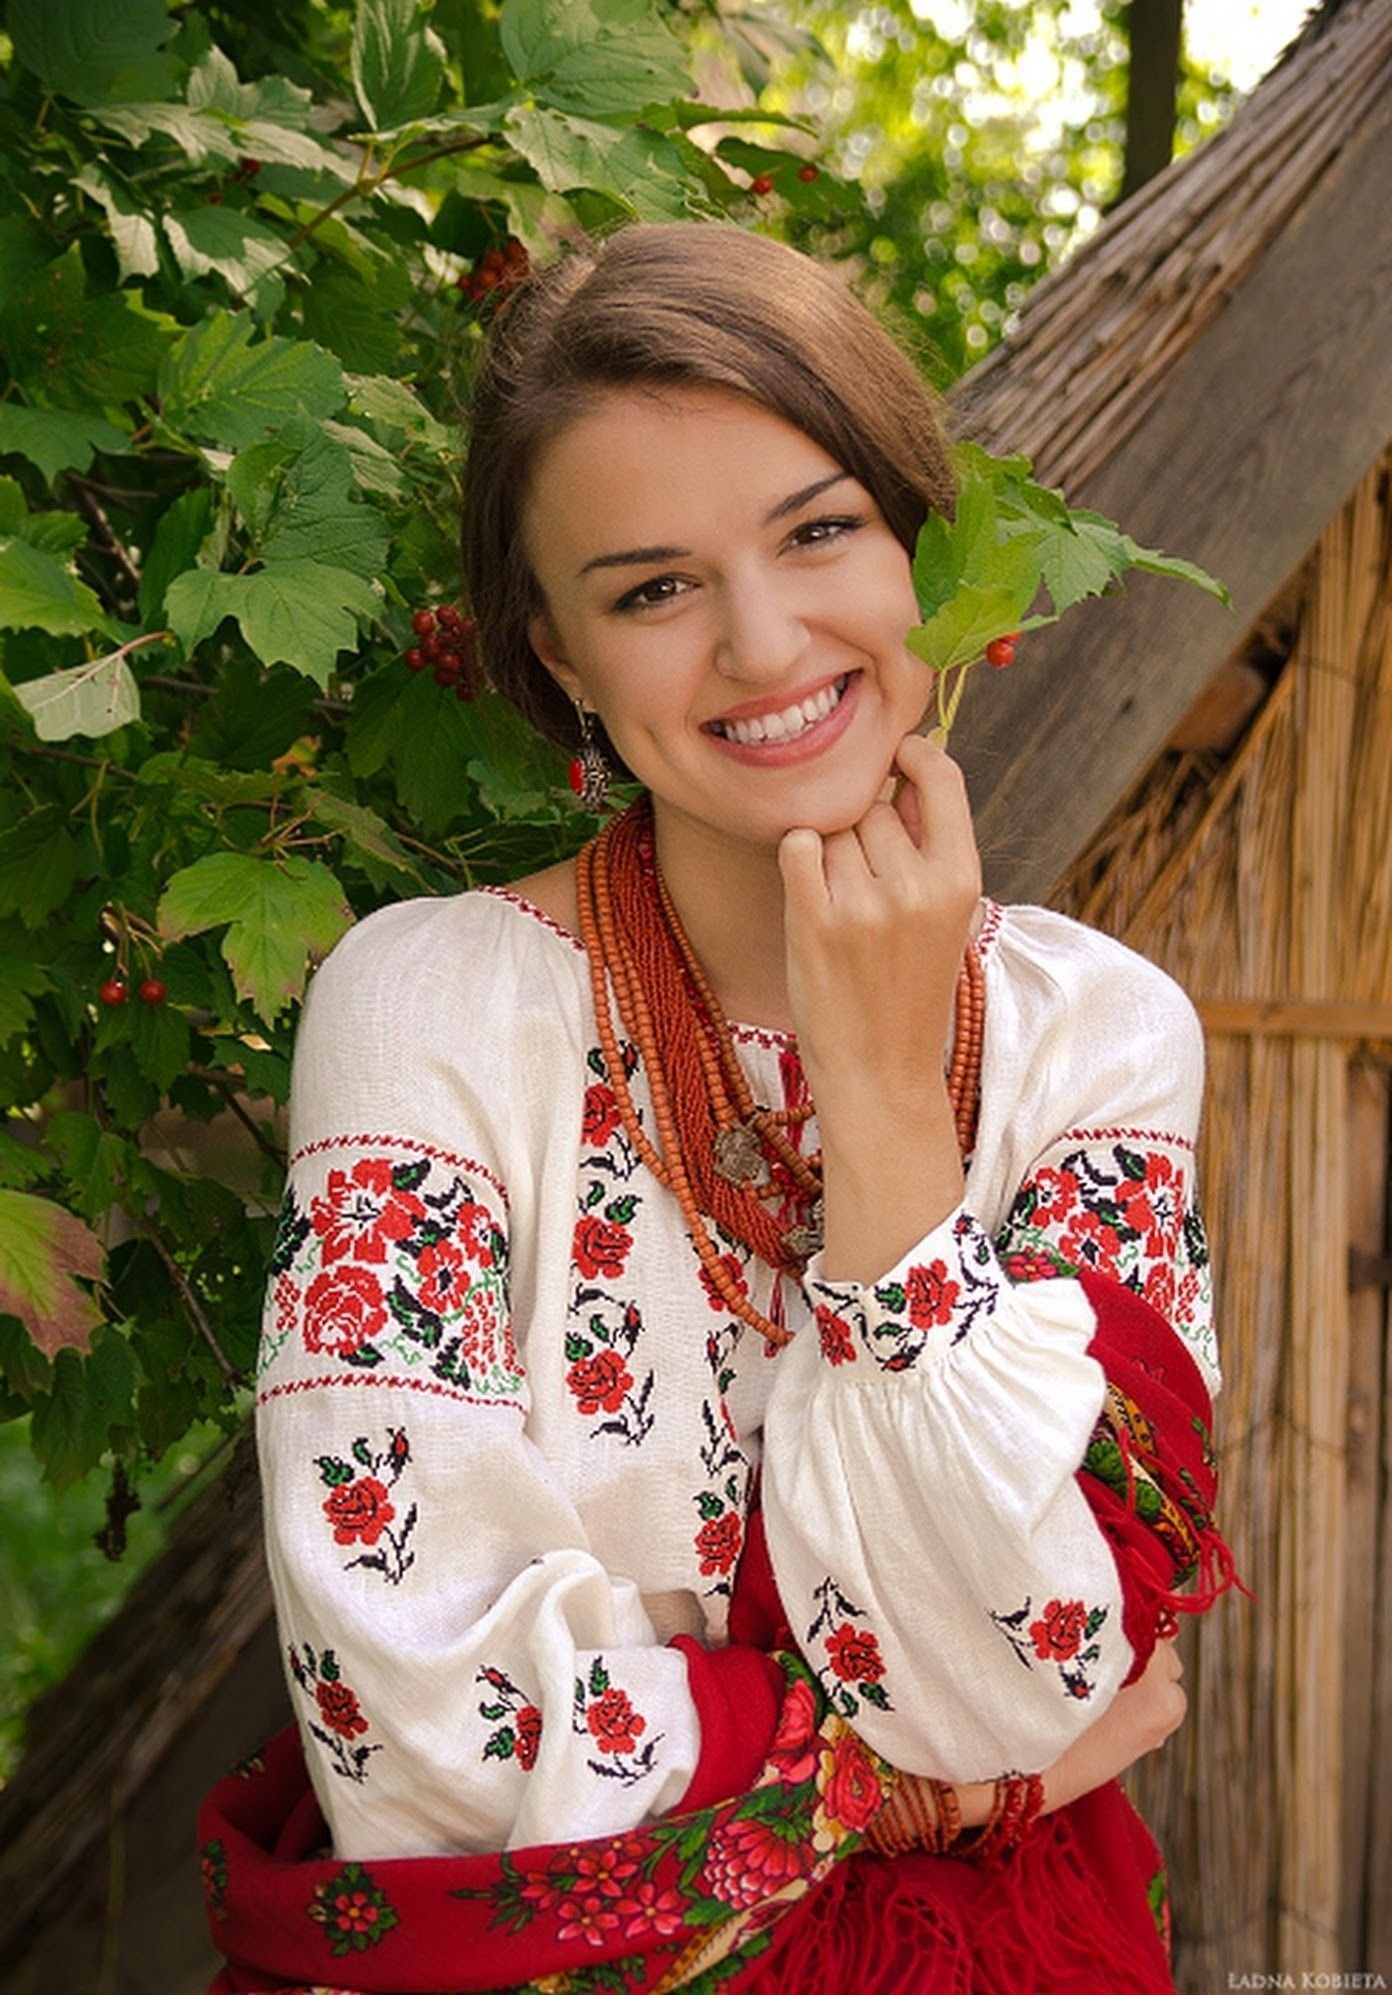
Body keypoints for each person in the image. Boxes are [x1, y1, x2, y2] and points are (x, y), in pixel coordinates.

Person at [201, 221, 1239, 1994]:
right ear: (562, 656)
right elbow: (422, 1744)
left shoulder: (1097, 1039)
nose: (765, 645)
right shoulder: (434, 1011)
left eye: (819, 532)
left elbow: (1049, 1656)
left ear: (924, 547)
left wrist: (887, 1105)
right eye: (653, 590)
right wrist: (936, 1792)